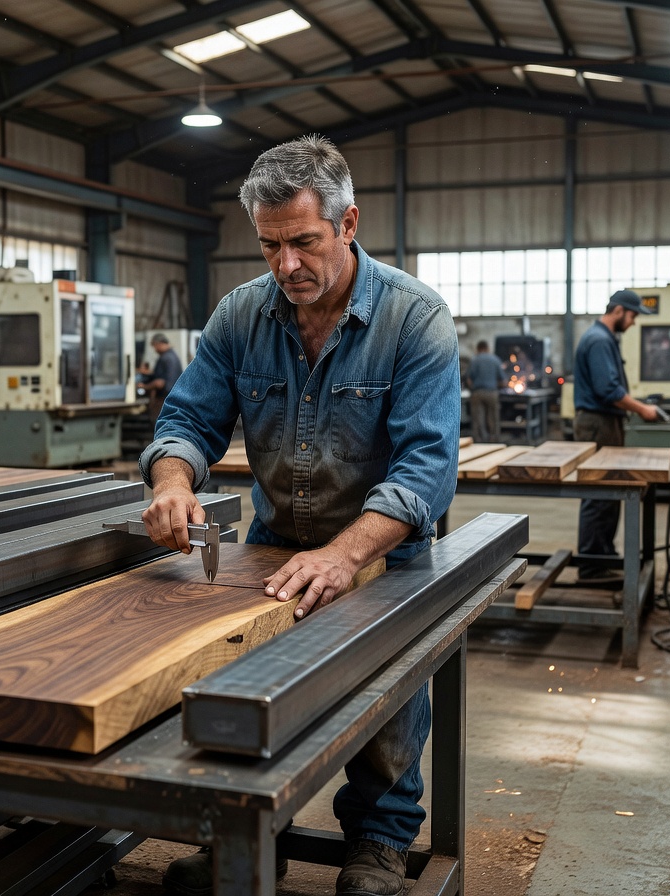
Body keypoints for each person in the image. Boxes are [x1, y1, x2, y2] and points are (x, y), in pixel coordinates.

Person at [138, 135, 459, 896]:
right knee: (247, 699)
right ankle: (252, 835)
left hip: (384, 555)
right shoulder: (241, 316)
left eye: (304, 243)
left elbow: (425, 473)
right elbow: (187, 421)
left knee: (383, 711)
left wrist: (349, 555)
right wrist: (173, 479)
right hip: (272, 546)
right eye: (270, 245)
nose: (287, 266)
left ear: (348, 225)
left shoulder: (415, 320)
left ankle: (377, 844)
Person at [572, 289, 661, 581]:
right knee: (599, 493)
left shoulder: (605, 339)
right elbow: (607, 390)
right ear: (619, 310)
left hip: (604, 422)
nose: (634, 322)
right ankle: (592, 565)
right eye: (633, 315)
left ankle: (602, 556)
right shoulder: (598, 340)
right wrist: (642, 410)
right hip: (598, 424)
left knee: (607, 492)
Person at [465, 339, 505, 442]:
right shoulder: (495, 360)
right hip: (492, 393)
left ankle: (479, 440)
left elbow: (468, 379)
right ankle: (494, 438)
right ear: (487, 348)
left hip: (477, 393)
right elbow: (503, 381)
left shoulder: (474, 360)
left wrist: (473, 389)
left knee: (478, 418)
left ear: (478, 349)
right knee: (493, 417)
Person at [137, 333, 184, 419]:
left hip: (163, 400)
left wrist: (144, 386)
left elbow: (160, 383)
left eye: (154, 346)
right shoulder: (173, 356)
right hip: (173, 399)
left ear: (159, 343)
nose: (155, 350)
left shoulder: (165, 358)